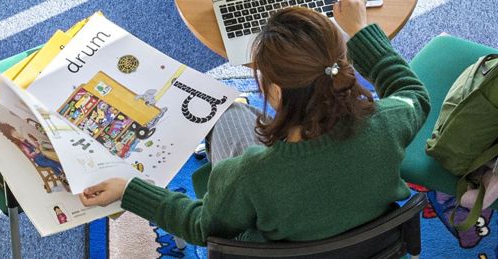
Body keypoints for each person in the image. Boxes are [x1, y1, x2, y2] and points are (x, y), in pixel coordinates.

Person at [79, 0, 429, 246]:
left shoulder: (248, 176)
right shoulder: (390, 122)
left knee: (227, 113)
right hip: (371, 243)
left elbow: (201, 226)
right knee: (232, 114)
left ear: (274, 92)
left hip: (281, 243)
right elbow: (413, 91)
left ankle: (236, 109)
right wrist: (362, 31)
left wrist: (129, 191)